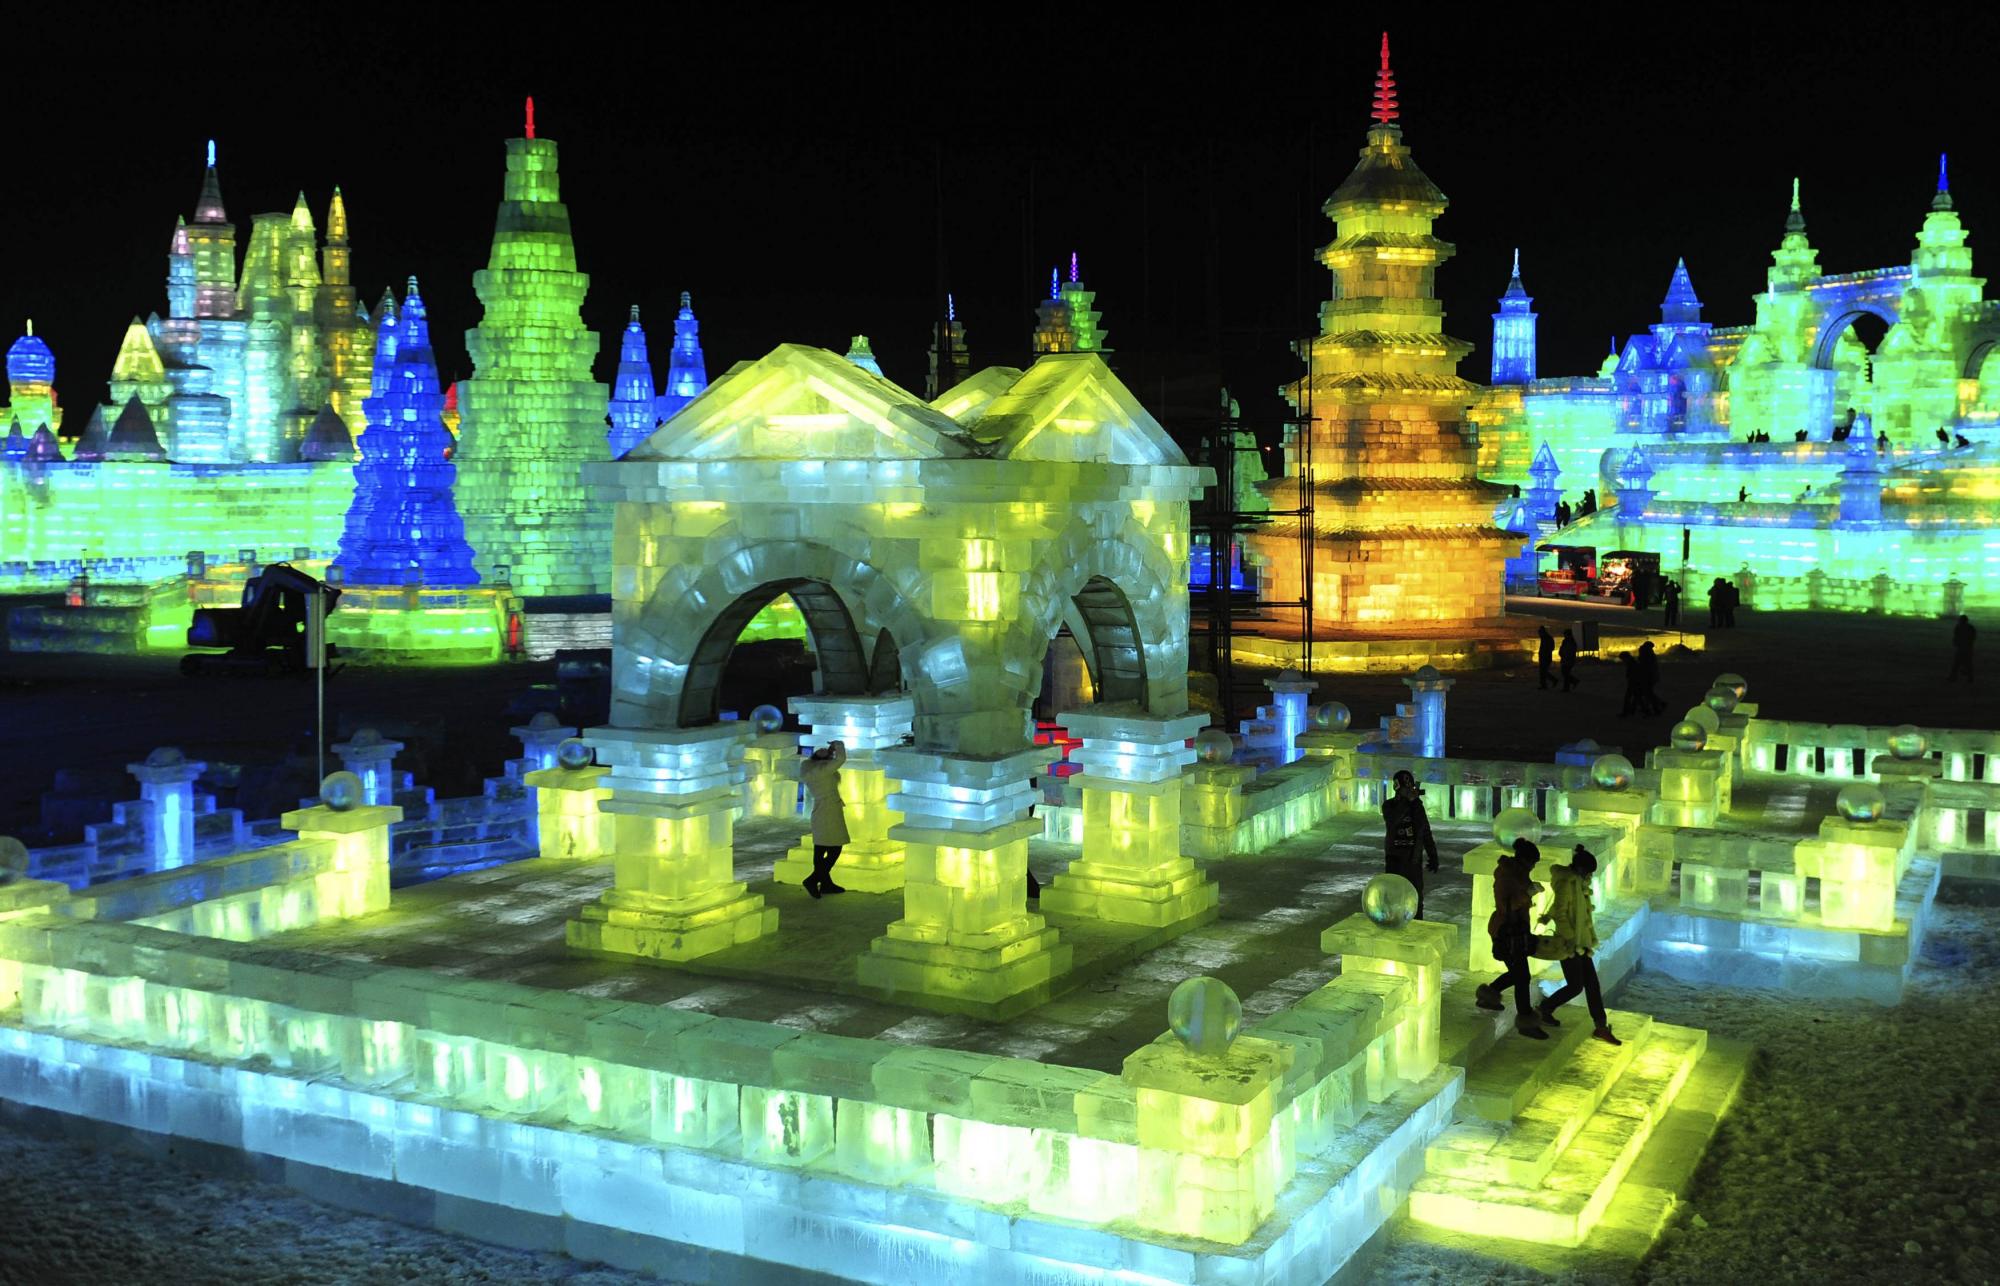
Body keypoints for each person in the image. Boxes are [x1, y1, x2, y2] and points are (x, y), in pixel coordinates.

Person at [1534, 845, 1620, 1045]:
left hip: (1581, 942)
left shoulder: (1578, 882)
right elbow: (1560, 912)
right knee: (1575, 986)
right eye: (1589, 872)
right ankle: (1544, 1009)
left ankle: (1601, 1026)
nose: (1589, 876)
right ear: (1581, 869)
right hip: (1570, 943)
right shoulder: (1567, 883)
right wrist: (1571, 936)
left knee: (1591, 984)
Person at [1475, 838, 1548, 1039]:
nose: (1533, 866)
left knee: (1518, 973)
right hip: (1506, 931)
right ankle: (1526, 1022)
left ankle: (1488, 996)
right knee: (1522, 976)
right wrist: (1528, 893)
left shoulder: (1519, 874)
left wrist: (1529, 891)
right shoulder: (1507, 876)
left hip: (1516, 930)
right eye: (1533, 862)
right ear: (1524, 860)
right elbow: (1504, 906)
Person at [1381, 769, 1441, 920]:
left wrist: (1432, 855)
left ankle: (1417, 926)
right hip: (1394, 859)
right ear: (1397, 789)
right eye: (1405, 788)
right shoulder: (1389, 806)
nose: (1409, 791)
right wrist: (1407, 801)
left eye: (1411, 788)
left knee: (1416, 899)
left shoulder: (1417, 807)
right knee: (1394, 898)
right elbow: (1393, 821)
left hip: (1413, 860)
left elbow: (1425, 830)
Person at [799, 741, 850, 897]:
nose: (821, 749)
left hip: (824, 810)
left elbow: (833, 762)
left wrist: (829, 752)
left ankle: (826, 883)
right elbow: (840, 759)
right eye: (819, 750)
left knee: (821, 848)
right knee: (834, 848)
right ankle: (813, 880)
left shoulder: (810, 768)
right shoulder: (822, 770)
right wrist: (838, 745)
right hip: (828, 811)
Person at [1637, 640, 1665, 715]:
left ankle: (1655, 707)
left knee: (1647, 693)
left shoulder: (1645, 653)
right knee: (1648, 693)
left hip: (1647, 676)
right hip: (1649, 676)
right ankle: (1656, 706)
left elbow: (1645, 666)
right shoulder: (1648, 654)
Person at [1950, 614, 1976, 683]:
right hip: (1968, 648)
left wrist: (1956, 644)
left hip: (1961, 648)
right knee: (1968, 664)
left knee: (1956, 664)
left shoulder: (1958, 627)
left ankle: (1953, 678)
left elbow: (1955, 637)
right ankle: (1970, 678)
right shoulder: (1971, 627)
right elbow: (1973, 638)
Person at [1617, 651, 1640, 717]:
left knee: (1629, 698)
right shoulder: (1633, 662)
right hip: (1635, 682)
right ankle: (1631, 711)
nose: (1623, 661)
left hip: (1633, 682)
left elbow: (1632, 674)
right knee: (1635, 697)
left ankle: (1626, 712)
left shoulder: (1632, 663)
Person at [1537, 625, 1556, 690]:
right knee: (1543, 672)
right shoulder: (1546, 638)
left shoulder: (1546, 638)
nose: (1539, 635)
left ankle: (1549, 682)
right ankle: (1546, 684)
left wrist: (1545, 652)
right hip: (1544, 657)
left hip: (1545, 657)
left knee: (1543, 672)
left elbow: (1551, 648)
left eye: (1539, 633)